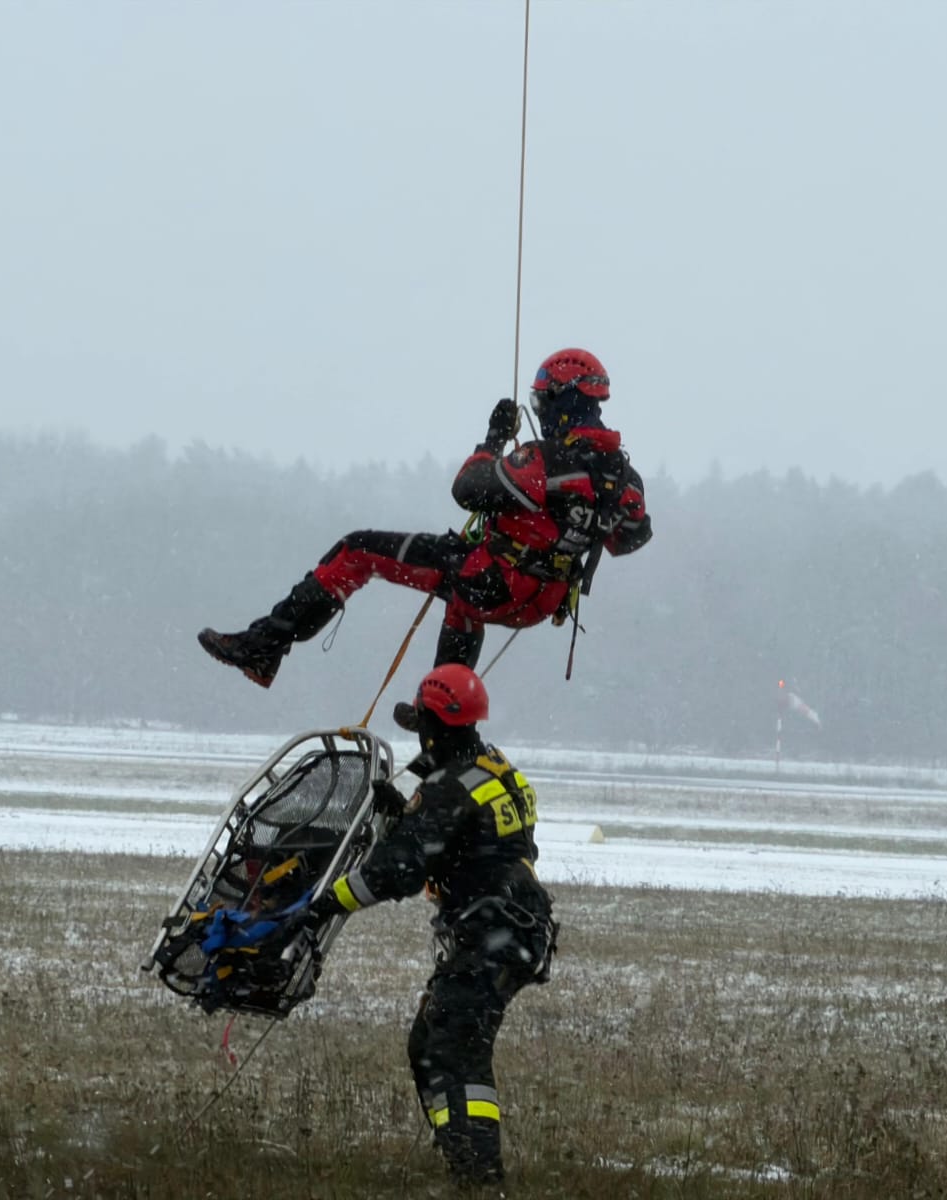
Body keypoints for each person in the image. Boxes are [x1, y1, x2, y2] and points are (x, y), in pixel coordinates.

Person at [197, 347, 653, 688]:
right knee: (461, 602)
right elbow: (630, 538)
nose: (540, 413)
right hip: (543, 602)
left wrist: (493, 439)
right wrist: (575, 526)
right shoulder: (625, 478)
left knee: (357, 550)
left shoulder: (545, 460)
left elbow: (467, 488)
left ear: (562, 401)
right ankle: (443, 713)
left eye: (541, 404)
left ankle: (264, 646)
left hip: (493, 583)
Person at [303, 663, 556, 1185]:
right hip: (514, 927)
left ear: (433, 725)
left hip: (493, 934)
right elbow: (472, 843)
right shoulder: (493, 769)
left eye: (420, 723)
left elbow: (394, 872)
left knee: (455, 1051)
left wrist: (326, 903)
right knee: (428, 1045)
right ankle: (461, 1153)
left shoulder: (448, 787)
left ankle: (479, 1179)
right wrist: (408, 819)